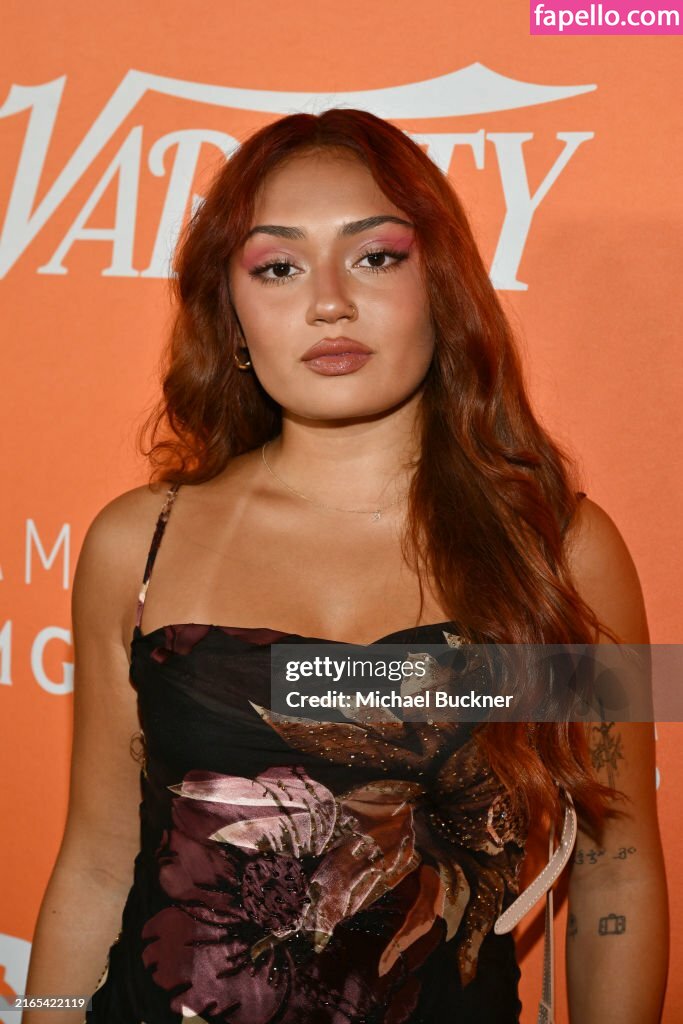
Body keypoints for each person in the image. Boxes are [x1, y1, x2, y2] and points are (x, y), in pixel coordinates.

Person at [23, 108, 668, 1024]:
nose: (329, 302)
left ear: (439, 287)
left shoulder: (561, 550)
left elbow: (616, 872)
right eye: (277, 268)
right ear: (231, 317)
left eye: (374, 256)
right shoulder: (138, 543)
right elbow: (96, 860)